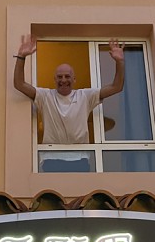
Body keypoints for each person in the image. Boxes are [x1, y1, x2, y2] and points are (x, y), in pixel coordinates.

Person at [13, 35, 125, 172]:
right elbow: (19, 84)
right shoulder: (45, 96)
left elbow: (116, 87)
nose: (63, 80)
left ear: (74, 79)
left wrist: (120, 62)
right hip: (51, 158)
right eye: (59, 77)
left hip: (80, 159)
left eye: (67, 76)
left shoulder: (85, 96)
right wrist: (21, 57)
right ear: (54, 80)